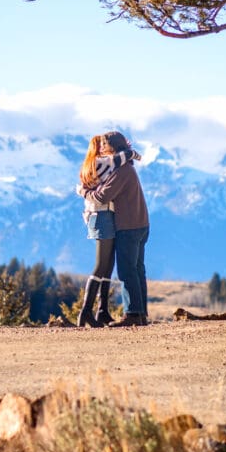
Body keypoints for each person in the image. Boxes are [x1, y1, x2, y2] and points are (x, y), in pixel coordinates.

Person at [86, 131, 150, 327]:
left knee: (126, 271)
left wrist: (85, 192)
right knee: (138, 270)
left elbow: (103, 196)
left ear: (113, 147)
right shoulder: (128, 167)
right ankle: (140, 314)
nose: (102, 148)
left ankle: (131, 314)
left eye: (105, 144)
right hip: (141, 224)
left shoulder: (121, 171)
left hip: (128, 226)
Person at [75, 135, 139, 327]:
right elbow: (123, 158)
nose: (104, 149)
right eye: (100, 145)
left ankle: (102, 310)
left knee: (108, 265)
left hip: (104, 216)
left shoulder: (96, 165)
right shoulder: (99, 163)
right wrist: (133, 153)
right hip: (101, 216)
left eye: (105, 145)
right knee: (102, 265)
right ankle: (86, 311)